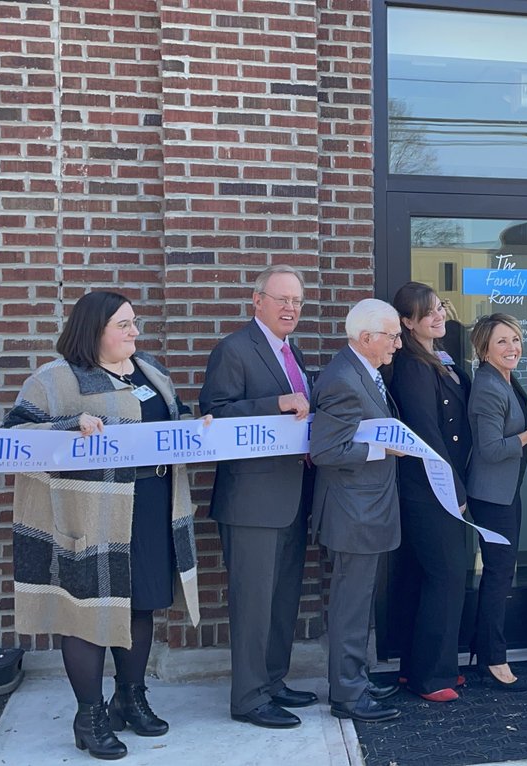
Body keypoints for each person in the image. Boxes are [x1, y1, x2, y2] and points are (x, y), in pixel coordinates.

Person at [4, 291, 204, 760]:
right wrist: (68, 428)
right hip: (92, 515)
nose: (135, 333)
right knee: (88, 613)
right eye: (124, 325)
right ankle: (89, 715)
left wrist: (196, 427)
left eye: (135, 323)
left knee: (141, 604)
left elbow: (172, 420)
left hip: (152, 507)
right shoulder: (56, 379)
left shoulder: (150, 370)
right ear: (94, 330)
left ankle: (129, 697)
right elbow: (12, 435)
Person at [199, 264, 318, 729]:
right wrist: (275, 404)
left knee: (283, 596)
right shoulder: (234, 349)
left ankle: (272, 681)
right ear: (257, 301)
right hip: (251, 500)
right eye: (282, 299)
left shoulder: (294, 351)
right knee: (252, 600)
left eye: (297, 302)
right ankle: (248, 698)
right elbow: (213, 412)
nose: (291, 308)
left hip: (292, 494)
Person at [309, 298, 404, 723]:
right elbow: (327, 450)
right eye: (393, 336)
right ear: (366, 338)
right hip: (353, 513)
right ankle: (347, 694)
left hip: (365, 509)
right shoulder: (343, 379)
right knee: (351, 604)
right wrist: (380, 449)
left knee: (359, 601)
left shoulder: (362, 372)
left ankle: (357, 680)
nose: (398, 344)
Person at [388, 282, 472, 702]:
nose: (438, 317)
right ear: (406, 322)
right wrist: (453, 489)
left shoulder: (439, 356)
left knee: (431, 577)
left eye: (439, 308)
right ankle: (431, 677)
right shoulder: (411, 365)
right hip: (429, 488)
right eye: (427, 314)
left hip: (440, 483)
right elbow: (426, 431)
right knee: (448, 573)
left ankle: (422, 667)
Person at [465, 314, 527, 689]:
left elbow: (513, 417)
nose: (512, 348)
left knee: (501, 572)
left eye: (516, 340)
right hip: (492, 496)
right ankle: (493, 658)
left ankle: (483, 649)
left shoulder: (504, 380)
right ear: (484, 347)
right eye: (502, 341)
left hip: (504, 493)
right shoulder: (487, 386)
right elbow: (489, 449)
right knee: (499, 575)